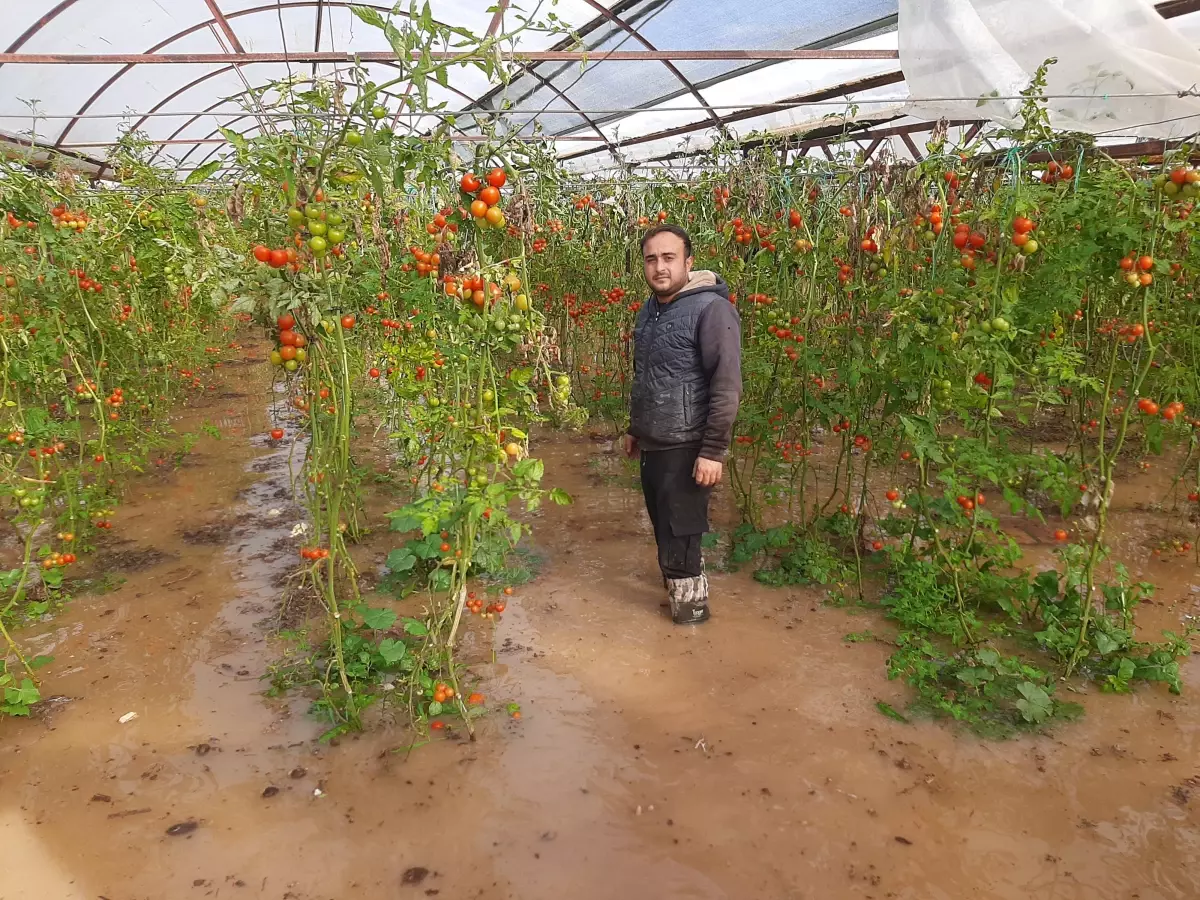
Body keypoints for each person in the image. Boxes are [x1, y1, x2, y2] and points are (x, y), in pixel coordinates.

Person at [622, 225, 742, 624]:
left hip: (687, 445)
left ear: (688, 263)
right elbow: (647, 375)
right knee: (666, 531)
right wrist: (635, 427)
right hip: (655, 442)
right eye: (651, 258)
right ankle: (681, 599)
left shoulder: (712, 308)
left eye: (669, 257)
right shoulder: (650, 309)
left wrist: (712, 451)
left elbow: (726, 384)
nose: (659, 267)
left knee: (681, 538)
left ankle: (691, 624)